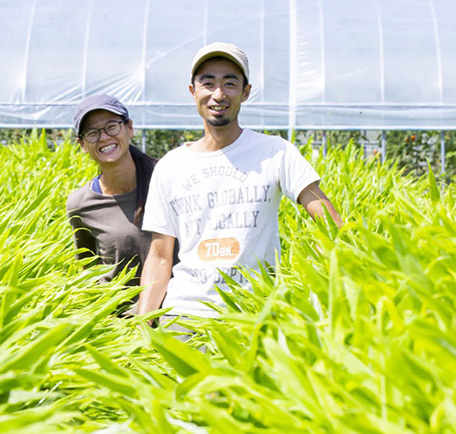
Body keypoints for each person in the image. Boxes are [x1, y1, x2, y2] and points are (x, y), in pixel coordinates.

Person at [138, 42, 342, 320]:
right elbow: (160, 256)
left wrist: (314, 281)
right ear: (192, 91)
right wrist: (143, 325)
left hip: (255, 312)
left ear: (246, 92)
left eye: (230, 84)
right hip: (184, 314)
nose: (218, 95)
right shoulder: (171, 166)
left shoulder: (275, 151)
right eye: (208, 84)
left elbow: (329, 221)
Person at [66, 94, 161, 310]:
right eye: (92, 133)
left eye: (112, 126)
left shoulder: (166, 178)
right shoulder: (80, 203)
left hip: (174, 315)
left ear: (129, 128)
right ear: (82, 144)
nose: (103, 137)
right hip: (117, 322)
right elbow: (89, 267)